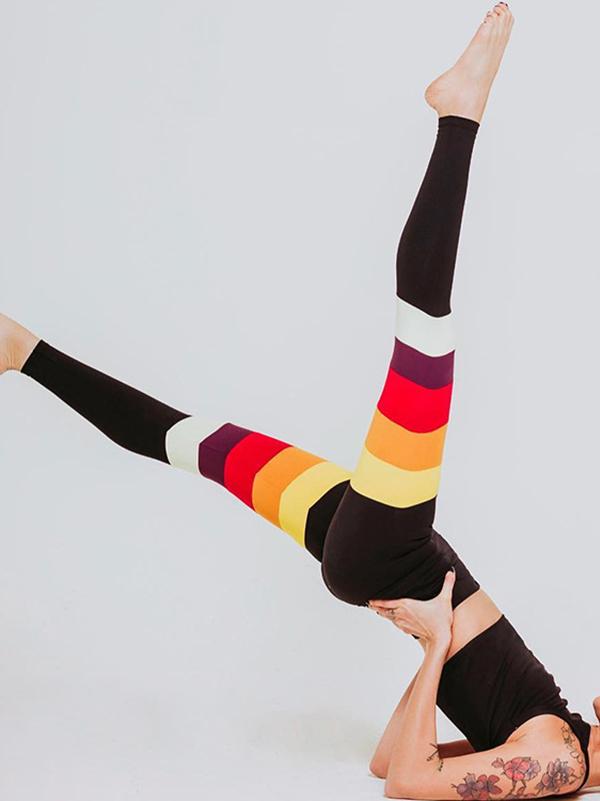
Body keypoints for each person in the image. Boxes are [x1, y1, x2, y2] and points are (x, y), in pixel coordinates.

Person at [1, 4, 599, 799]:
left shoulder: (560, 759)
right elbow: (391, 757)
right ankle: (22, 352)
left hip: (391, 549)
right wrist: (438, 646)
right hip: (385, 545)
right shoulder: (559, 732)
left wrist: (436, 643)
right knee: (197, 442)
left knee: (425, 337)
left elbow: (405, 784)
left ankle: (460, 115)